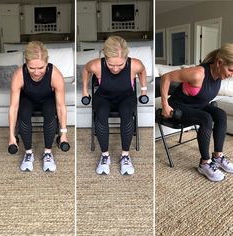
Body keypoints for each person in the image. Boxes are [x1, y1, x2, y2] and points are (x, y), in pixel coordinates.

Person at [160, 43, 233, 182]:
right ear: (219, 62)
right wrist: (165, 104)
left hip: (197, 106)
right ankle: (204, 163)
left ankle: (217, 157)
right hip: (179, 108)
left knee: (221, 114)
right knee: (206, 118)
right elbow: (166, 77)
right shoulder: (198, 73)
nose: (231, 74)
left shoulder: (218, 75)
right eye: (230, 70)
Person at [82, 35, 148, 175]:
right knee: (101, 115)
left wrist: (143, 90)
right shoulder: (96, 65)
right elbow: (86, 70)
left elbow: (142, 71)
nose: (116, 69)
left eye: (120, 65)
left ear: (126, 59)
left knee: (127, 114)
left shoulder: (135, 64)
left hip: (126, 97)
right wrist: (84, 91)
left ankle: (125, 155)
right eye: (111, 64)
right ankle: (105, 156)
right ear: (105, 57)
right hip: (104, 97)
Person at [8, 41, 68, 172]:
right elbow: (13, 107)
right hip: (27, 100)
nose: (36, 72)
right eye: (31, 68)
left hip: (47, 100)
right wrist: (11, 135)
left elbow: (61, 106)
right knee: (23, 112)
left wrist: (63, 133)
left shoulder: (54, 74)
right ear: (26, 63)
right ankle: (28, 153)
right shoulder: (19, 75)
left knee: (50, 111)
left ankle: (48, 153)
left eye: (40, 68)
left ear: (47, 63)